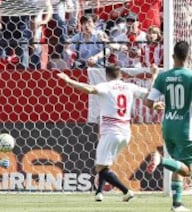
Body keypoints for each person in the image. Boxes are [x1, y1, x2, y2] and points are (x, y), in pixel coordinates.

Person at [57, 65, 159, 202]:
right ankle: (99, 193)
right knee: (105, 165)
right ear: (121, 75)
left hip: (111, 131)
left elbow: (90, 89)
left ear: (106, 75)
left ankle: (126, 191)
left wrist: (69, 81)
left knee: (100, 166)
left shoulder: (106, 86)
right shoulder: (128, 86)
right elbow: (149, 94)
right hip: (125, 132)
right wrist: (154, 75)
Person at [144, 41, 192, 212]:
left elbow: (148, 102)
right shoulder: (190, 77)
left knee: (177, 165)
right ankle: (160, 160)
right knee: (187, 171)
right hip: (186, 129)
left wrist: (156, 105)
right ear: (188, 57)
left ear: (173, 56)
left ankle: (176, 204)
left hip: (168, 126)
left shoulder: (163, 77)